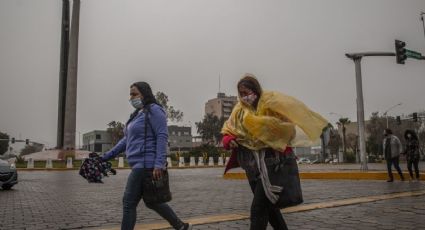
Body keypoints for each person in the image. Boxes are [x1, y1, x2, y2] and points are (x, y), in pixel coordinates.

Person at [221, 74, 328, 230]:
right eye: (241, 94)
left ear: (255, 90)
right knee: (270, 210)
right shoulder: (239, 111)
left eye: (247, 92)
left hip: (272, 166)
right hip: (252, 168)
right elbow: (228, 130)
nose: (244, 97)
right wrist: (228, 140)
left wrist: (269, 128)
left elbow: (288, 131)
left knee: (258, 209)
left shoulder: (271, 105)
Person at [102, 82, 191, 230]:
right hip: (139, 164)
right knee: (152, 202)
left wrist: (159, 163)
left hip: (145, 164)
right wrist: (106, 156)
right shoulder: (138, 114)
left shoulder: (154, 110)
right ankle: (180, 226)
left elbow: (162, 136)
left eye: (134, 94)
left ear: (145, 93)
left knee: (128, 203)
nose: (131, 98)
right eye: (130, 95)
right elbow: (126, 140)